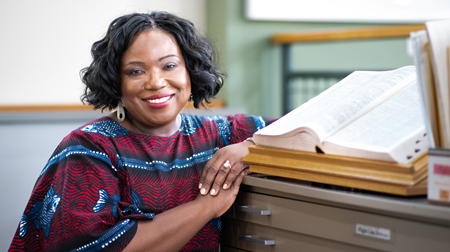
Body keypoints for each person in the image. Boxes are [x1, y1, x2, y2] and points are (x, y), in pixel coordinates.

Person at [9, 11, 274, 252]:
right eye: (136, 71)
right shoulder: (89, 147)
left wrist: (251, 145)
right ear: (116, 82)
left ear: (190, 71)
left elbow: (309, 124)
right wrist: (207, 207)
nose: (156, 82)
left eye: (169, 66)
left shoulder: (219, 133)